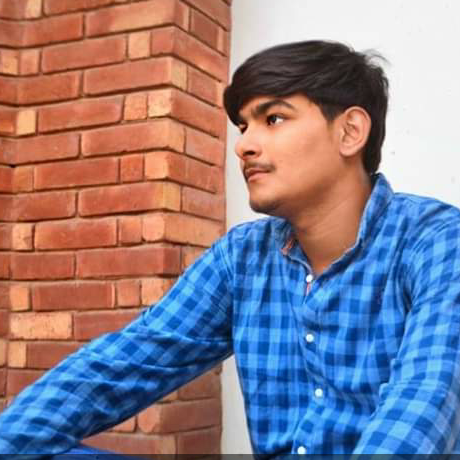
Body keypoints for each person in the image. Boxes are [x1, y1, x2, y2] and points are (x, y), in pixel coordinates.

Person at [1, 39, 460, 458]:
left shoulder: (436, 240)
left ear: (350, 131)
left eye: (273, 119)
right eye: (243, 126)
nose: (243, 146)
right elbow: (121, 366)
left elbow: (427, 397)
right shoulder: (241, 258)